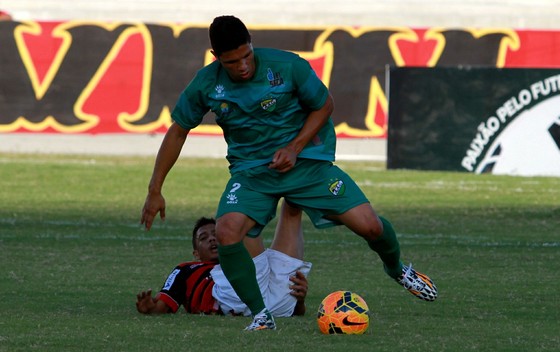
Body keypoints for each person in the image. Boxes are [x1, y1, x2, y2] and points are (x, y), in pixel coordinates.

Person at [140, 15, 437, 331]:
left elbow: (325, 105)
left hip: (306, 163)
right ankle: (261, 315)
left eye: (246, 56)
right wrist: (155, 188)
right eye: (231, 62)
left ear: (252, 43)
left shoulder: (287, 66)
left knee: (371, 227)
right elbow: (177, 132)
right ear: (216, 58)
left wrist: (295, 147)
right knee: (226, 232)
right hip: (252, 173)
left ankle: (397, 269)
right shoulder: (206, 84)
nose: (242, 66)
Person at [136, 201, 311, 317]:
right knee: (242, 210)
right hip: (234, 298)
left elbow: (297, 313)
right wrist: (150, 308)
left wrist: (300, 300)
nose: (212, 239)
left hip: (275, 306)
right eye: (203, 238)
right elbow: (161, 307)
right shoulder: (185, 270)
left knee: (293, 208)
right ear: (196, 253)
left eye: (215, 234)